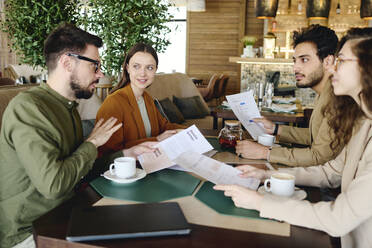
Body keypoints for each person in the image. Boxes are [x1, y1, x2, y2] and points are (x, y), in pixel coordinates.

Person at [0, 24, 155, 248]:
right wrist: (92, 143)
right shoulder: (29, 108)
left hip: (68, 212)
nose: (100, 74)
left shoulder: (69, 107)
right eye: (95, 66)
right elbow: (54, 185)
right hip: (31, 231)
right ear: (67, 62)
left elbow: (77, 169)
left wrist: (125, 154)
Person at [215, 29, 372, 248]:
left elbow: (337, 219)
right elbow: (331, 172)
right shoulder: (363, 121)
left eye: (341, 61)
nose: (333, 67)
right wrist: (267, 174)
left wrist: (259, 201)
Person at [236, 25, 342, 167]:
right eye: (294, 60)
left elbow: (320, 157)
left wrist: (265, 152)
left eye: (304, 60)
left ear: (328, 61)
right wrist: (275, 129)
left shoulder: (337, 99)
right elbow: (316, 137)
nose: (295, 68)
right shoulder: (325, 93)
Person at [96, 43, 185, 157]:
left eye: (149, 67)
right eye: (136, 66)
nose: (143, 73)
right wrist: (156, 140)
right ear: (127, 68)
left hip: (151, 163)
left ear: (155, 70)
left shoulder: (147, 98)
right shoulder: (114, 103)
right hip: (124, 171)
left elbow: (164, 127)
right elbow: (110, 152)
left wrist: (193, 132)